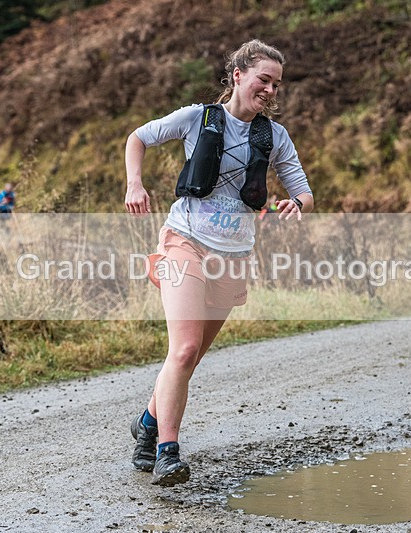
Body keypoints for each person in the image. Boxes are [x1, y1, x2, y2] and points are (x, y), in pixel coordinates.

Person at [124, 39, 313, 486]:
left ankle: (147, 424)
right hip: (184, 242)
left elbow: (302, 188)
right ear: (238, 76)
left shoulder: (275, 136)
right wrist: (135, 183)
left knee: (188, 358)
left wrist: (297, 204)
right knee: (184, 348)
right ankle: (168, 451)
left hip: (234, 255)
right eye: (263, 79)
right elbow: (138, 138)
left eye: (276, 84)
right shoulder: (198, 118)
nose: (270, 89)